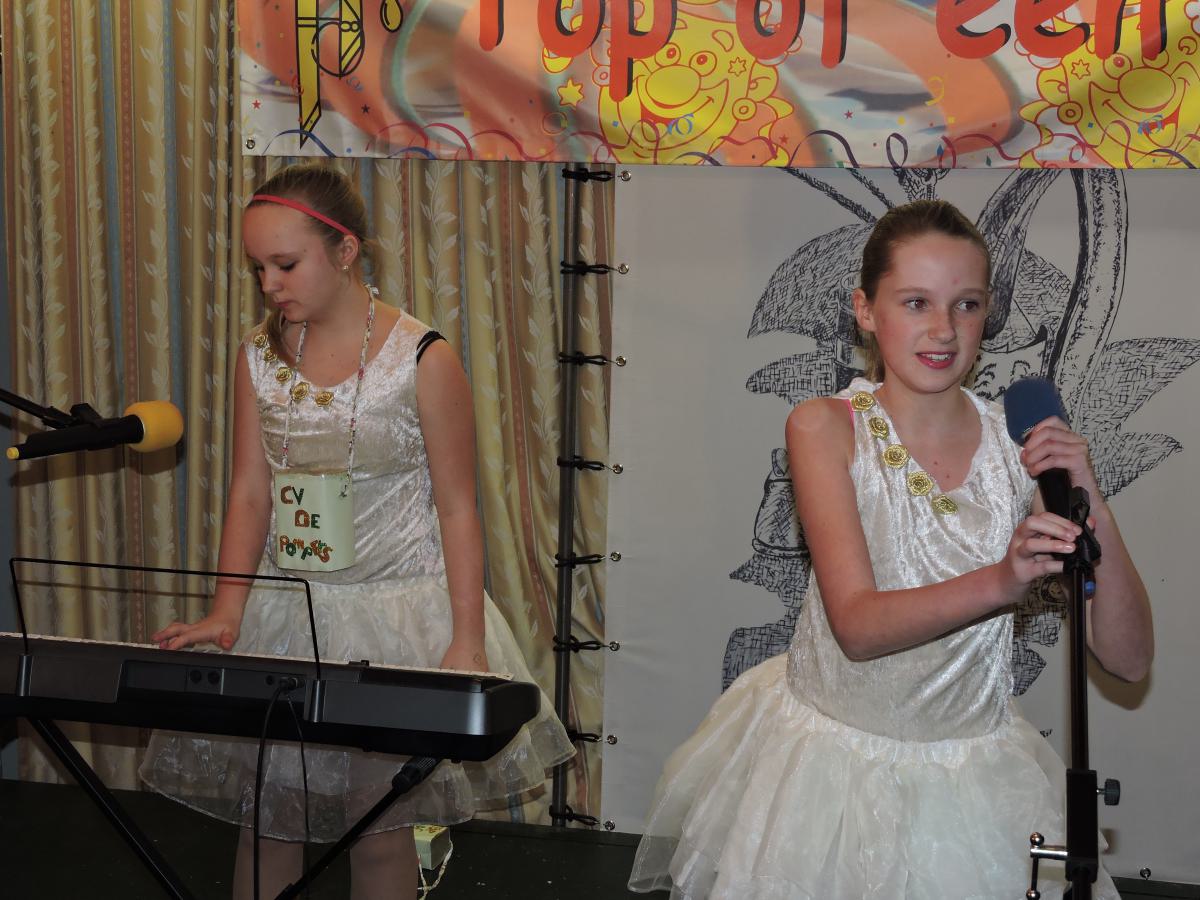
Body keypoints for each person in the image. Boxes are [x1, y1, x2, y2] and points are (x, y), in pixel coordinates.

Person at [628, 199, 1153, 899]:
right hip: (828, 778)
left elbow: (1128, 659)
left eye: (966, 305)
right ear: (866, 311)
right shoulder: (825, 427)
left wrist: (1089, 496)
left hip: (973, 782)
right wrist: (1003, 580)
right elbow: (857, 626)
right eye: (915, 302)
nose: (943, 329)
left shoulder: (1018, 448)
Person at [139, 163, 574, 900]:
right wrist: (227, 608)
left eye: (285, 264)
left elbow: (457, 507)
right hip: (290, 613)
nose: (270, 284)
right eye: (258, 268)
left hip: (391, 616)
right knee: (270, 823)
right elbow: (250, 492)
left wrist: (467, 637)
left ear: (345, 252)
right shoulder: (259, 357)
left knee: (377, 827)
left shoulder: (421, 359)